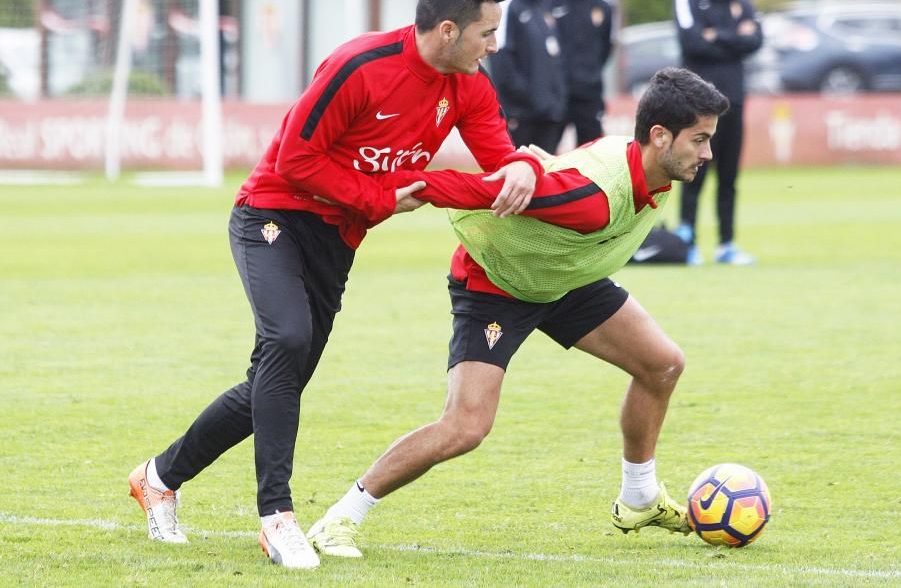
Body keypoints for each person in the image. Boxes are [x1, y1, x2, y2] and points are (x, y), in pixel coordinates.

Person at [126, 0, 542, 571]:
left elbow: (498, 163)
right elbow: (294, 160)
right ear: (448, 30)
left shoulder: (471, 86)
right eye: (488, 32)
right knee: (286, 342)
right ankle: (277, 517)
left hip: (335, 240)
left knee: (278, 378)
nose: (495, 44)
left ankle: (158, 477)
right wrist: (381, 197)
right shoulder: (358, 66)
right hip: (272, 216)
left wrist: (524, 168)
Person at [305, 67, 730, 558]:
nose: (708, 153)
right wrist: (377, 190)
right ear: (660, 137)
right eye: (700, 140)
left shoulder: (646, 169)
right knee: (465, 428)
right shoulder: (590, 200)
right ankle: (339, 518)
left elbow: (558, 169)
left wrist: (534, 161)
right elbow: (478, 191)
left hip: (563, 276)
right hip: (497, 282)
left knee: (663, 363)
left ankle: (639, 496)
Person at [673, 0, 763, 265]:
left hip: (734, 101)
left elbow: (755, 39)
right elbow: (693, 42)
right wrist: (733, 37)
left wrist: (718, 35)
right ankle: (688, 241)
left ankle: (727, 244)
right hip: (696, 105)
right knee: (691, 172)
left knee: (729, 176)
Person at [489, 0, 568, 154]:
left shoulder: (543, 4)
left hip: (549, 118)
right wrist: (528, 103)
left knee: (547, 183)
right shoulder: (505, 4)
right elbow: (500, 60)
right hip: (522, 119)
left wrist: (556, 102)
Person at [543, 0, 615, 147]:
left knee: (591, 158)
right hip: (554, 95)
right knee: (542, 153)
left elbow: (606, 47)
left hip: (589, 95)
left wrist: (588, 73)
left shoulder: (604, 3)